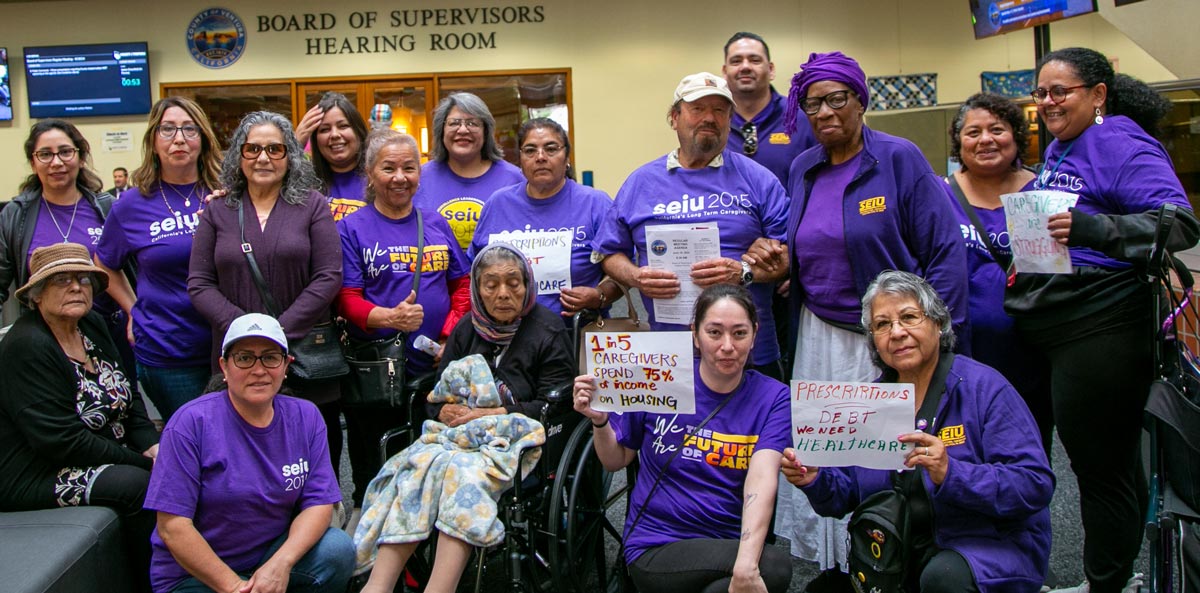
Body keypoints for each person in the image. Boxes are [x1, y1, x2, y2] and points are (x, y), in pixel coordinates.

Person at [744, 52, 969, 588]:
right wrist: (780, 264)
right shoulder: (803, 166)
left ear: (861, 100)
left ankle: (892, 559)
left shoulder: (899, 159)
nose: (824, 112)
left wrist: (942, 341)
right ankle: (840, 571)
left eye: (836, 99)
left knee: (886, 455)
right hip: (819, 337)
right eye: (812, 102)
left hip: (887, 340)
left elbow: (944, 253)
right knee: (828, 451)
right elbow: (810, 248)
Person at [1009, 47, 1198, 593]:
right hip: (1065, 326)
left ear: (1098, 95)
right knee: (1109, 465)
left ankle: (1106, 584)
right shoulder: (1065, 146)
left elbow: (1178, 224)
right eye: (1040, 92)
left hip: (1104, 325)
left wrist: (1089, 230)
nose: (1047, 101)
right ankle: (1118, 578)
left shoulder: (1116, 138)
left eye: (1059, 91)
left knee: (1100, 472)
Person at [783, 270, 1054, 593]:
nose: (896, 332)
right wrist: (814, 479)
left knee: (943, 578)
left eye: (909, 317)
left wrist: (951, 473)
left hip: (986, 546)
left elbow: (1034, 484)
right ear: (874, 342)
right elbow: (845, 495)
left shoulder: (985, 388)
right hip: (898, 549)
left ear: (938, 324)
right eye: (882, 325)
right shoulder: (871, 402)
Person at [353, 242, 574, 593]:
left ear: (527, 284)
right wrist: (442, 409)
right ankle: (377, 586)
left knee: (461, 475)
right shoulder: (468, 327)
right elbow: (437, 392)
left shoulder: (547, 329)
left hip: (515, 441)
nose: (503, 293)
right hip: (456, 438)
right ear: (477, 288)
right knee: (415, 470)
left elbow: (558, 404)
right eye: (491, 284)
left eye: (513, 283)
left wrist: (494, 412)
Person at [573, 284, 793, 593]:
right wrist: (600, 422)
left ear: (755, 334)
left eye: (739, 333)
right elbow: (614, 460)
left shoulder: (775, 397)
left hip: (725, 540)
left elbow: (762, 477)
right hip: (657, 543)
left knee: (741, 578)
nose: (727, 346)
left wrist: (746, 562)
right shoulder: (659, 377)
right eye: (714, 333)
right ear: (695, 334)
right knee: (772, 567)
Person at [593, 72, 790, 381]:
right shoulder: (641, 183)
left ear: (729, 120)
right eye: (698, 108)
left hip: (748, 354)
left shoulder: (759, 180)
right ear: (674, 117)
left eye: (719, 110)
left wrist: (744, 272)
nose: (709, 118)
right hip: (670, 353)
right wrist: (635, 276)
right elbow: (608, 252)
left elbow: (789, 257)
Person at [144, 313, 355, 593]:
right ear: (224, 366)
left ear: (286, 365)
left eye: (270, 357)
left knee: (337, 551)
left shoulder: (306, 416)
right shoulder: (190, 423)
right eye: (244, 358)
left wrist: (281, 563)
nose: (259, 369)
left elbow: (319, 504)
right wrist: (233, 587)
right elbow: (173, 527)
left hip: (266, 558)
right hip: (194, 575)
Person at [187, 110, 345, 477]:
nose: (263, 158)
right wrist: (246, 334)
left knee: (312, 453)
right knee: (241, 457)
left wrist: (278, 334)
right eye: (252, 149)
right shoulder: (218, 210)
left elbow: (328, 276)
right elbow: (198, 282)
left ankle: (318, 524)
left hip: (301, 355)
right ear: (238, 157)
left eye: (275, 149)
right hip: (235, 355)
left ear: (290, 155)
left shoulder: (313, 206)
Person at [0, 242, 159, 593]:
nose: (76, 287)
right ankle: (150, 585)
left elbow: (127, 392)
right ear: (37, 296)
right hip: (35, 471)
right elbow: (61, 441)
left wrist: (151, 444)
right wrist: (139, 463)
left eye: (84, 280)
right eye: (62, 280)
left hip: (95, 452)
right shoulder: (27, 346)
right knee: (137, 486)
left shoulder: (92, 323)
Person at [336, 128, 471, 508]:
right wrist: (388, 317)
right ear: (370, 173)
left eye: (409, 168)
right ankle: (375, 554)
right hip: (377, 372)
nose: (400, 177)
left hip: (433, 369)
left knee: (430, 467)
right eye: (389, 168)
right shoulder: (351, 228)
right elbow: (345, 299)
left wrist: (449, 336)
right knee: (375, 468)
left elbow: (462, 285)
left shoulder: (435, 224)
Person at [95, 97, 222, 421]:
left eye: (188, 129)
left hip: (230, 344)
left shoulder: (228, 193)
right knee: (195, 447)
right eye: (168, 129)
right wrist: (132, 308)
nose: (179, 138)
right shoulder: (131, 205)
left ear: (203, 138)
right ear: (153, 140)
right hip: (169, 349)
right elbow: (104, 262)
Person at [946, 92, 1052, 456]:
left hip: (1034, 351)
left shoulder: (1040, 190)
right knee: (969, 451)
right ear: (959, 143)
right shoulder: (940, 194)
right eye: (973, 132)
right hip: (964, 350)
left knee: (1032, 451)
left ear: (1016, 135)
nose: (986, 139)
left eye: (997, 129)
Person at [0, 119, 138, 383]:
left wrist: (136, 313)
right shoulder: (16, 215)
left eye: (65, 151)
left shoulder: (108, 209)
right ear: (33, 162)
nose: (56, 162)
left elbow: (135, 271)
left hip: (110, 334)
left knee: (119, 405)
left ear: (80, 157)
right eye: (45, 154)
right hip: (45, 340)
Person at [470, 117, 620, 320]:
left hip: (574, 334)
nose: (540, 157)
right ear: (520, 160)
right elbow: (475, 270)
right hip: (508, 336)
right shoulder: (498, 204)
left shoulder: (595, 203)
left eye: (551, 149)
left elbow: (623, 270)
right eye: (530, 150)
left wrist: (600, 295)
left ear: (567, 157)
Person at [412, 92, 524, 249]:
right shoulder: (419, 178)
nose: (463, 130)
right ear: (441, 131)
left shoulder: (514, 178)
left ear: (486, 132)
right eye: (454, 123)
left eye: (472, 123)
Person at [722, 32, 815, 187]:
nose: (745, 67)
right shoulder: (714, 122)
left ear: (771, 69)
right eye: (736, 61)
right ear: (725, 72)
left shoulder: (802, 118)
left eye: (755, 60)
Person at [294, 91, 371, 221]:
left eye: (343, 126)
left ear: (359, 131)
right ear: (315, 140)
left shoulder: (377, 180)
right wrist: (294, 145)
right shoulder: (304, 183)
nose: (334, 135)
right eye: (325, 129)